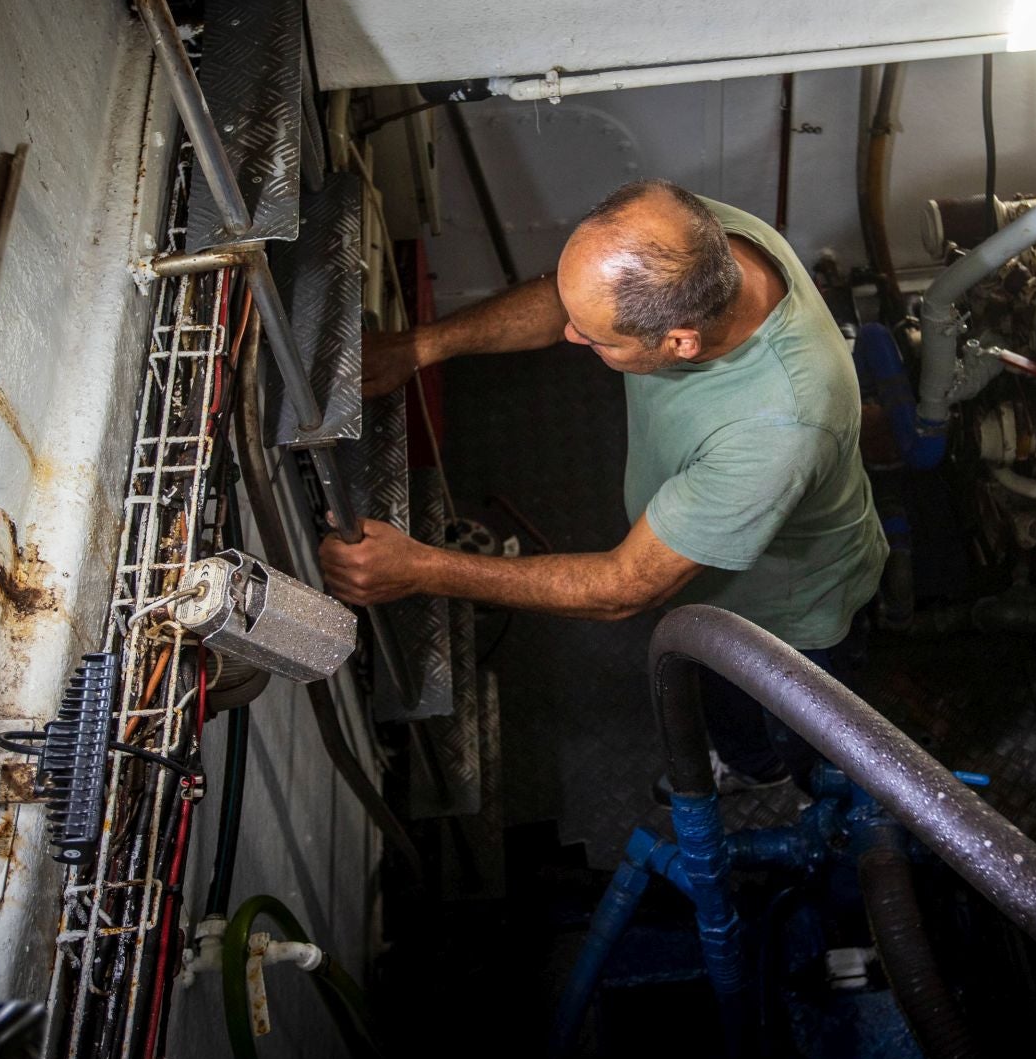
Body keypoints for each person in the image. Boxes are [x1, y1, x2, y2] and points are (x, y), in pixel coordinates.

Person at [320, 178, 887, 789]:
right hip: (713, 563)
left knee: (778, 723)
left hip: (786, 614)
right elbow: (566, 306)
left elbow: (623, 586)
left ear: (679, 342)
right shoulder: (692, 242)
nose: (569, 335)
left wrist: (420, 569)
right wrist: (419, 347)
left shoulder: (779, 427)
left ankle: (770, 775)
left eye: (594, 340)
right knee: (714, 681)